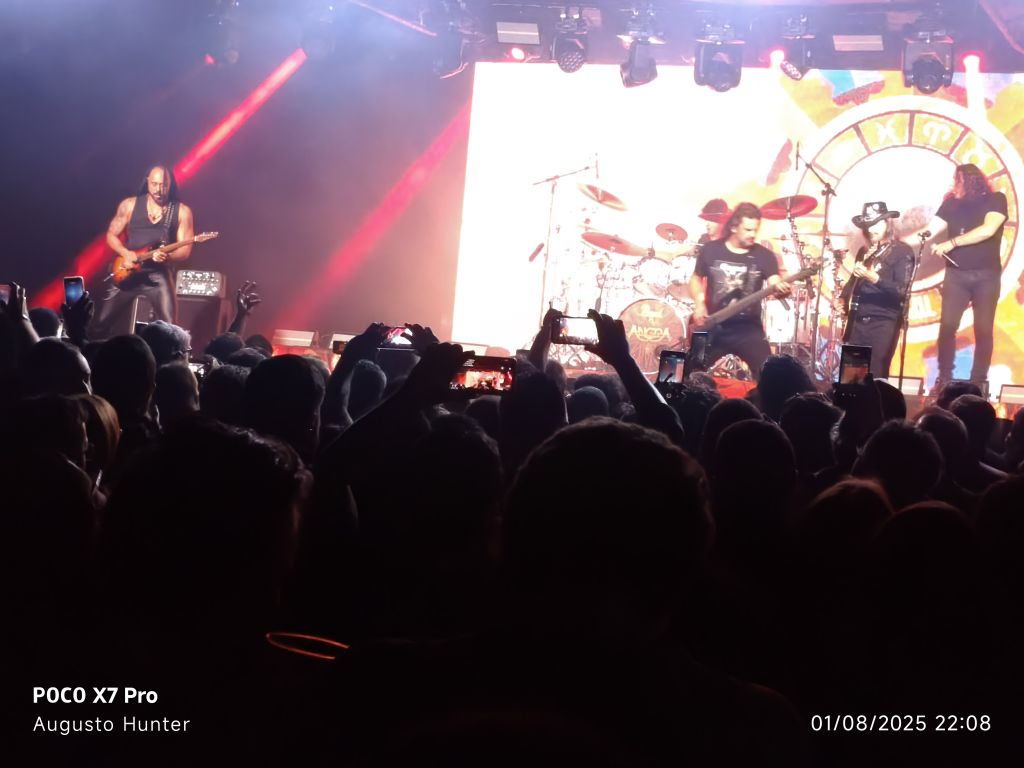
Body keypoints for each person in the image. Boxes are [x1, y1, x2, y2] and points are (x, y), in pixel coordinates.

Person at [688, 202, 791, 379]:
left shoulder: (764, 255)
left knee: (770, 375)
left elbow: (774, 282)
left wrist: (781, 290)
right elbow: (696, 278)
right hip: (712, 324)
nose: (752, 235)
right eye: (748, 230)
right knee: (689, 372)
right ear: (734, 227)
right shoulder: (711, 250)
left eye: (755, 230)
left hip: (748, 328)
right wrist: (699, 304)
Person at [92, 165, 195, 337]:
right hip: (127, 270)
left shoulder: (182, 212)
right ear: (147, 181)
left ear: (170, 184)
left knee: (171, 328)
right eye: (154, 184)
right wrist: (126, 253)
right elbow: (111, 235)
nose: (159, 190)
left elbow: (185, 250)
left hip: (157, 274)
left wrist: (167, 257)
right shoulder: (129, 205)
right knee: (100, 324)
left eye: (163, 185)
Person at [930, 163, 1007, 387]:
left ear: (970, 181)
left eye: (957, 180)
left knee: (983, 329)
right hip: (956, 275)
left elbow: (988, 229)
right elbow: (930, 229)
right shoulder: (950, 204)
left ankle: (978, 381)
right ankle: (944, 377)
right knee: (947, 327)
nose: (953, 184)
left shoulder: (996, 200)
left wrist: (952, 243)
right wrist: (902, 238)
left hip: (987, 275)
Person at [841, 201, 914, 378]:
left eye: (876, 224)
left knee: (875, 377)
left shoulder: (902, 251)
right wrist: (842, 299)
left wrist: (875, 278)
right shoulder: (864, 251)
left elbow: (902, 291)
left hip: (883, 322)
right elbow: (853, 280)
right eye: (868, 225)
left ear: (887, 223)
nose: (871, 229)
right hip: (857, 321)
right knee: (851, 381)